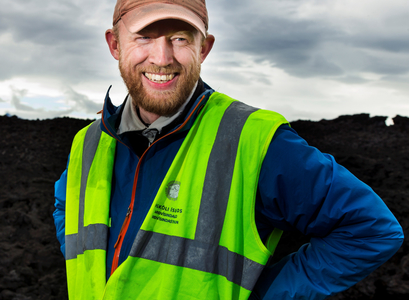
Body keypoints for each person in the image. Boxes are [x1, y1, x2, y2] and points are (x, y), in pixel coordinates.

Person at [53, 0, 404, 299]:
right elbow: (65, 205)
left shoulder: (253, 140)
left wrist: (266, 294)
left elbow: (371, 230)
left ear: (204, 48)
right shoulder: (89, 141)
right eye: (144, 37)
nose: (162, 57)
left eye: (180, 38)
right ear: (114, 45)